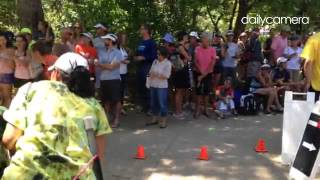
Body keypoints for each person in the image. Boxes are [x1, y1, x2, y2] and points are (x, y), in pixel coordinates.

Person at [1, 52, 111, 179]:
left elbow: (8, 139)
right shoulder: (94, 105)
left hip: (27, 174)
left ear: (56, 73)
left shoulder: (30, 90)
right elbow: (97, 155)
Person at [96, 34, 122, 128]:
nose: (104, 41)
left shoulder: (118, 52)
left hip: (114, 79)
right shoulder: (101, 52)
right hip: (103, 79)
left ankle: (117, 119)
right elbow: (100, 64)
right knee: (105, 100)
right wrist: (105, 65)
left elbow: (112, 67)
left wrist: (101, 65)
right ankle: (107, 118)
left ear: (110, 41)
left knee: (116, 100)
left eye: (106, 40)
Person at [134, 24, 157, 114]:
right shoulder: (141, 42)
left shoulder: (152, 43)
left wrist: (144, 58)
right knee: (141, 87)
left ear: (147, 30)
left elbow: (154, 56)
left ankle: (151, 108)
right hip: (140, 67)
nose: (140, 30)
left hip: (148, 67)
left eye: (142, 29)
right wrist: (135, 57)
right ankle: (144, 107)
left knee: (148, 87)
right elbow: (137, 53)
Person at [147, 46, 172, 128]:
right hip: (153, 85)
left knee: (162, 103)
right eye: (157, 54)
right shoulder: (155, 61)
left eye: (159, 54)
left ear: (164, 55)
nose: (157, 56)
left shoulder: (168, 63)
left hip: (162, 86)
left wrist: (156, 75)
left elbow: (166, 76)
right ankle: (154, 119)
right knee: (153, 102)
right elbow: (150, 71)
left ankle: (163, 120)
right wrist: (151, 75)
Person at [194, 32, 216, 118]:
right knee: (198, 92)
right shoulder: (197, 49)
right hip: (198, 72)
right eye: (204, 40)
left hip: (208, 73)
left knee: (206, 92)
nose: (206, 42)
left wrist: (203, 75)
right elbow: (195, 61)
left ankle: (206, 109)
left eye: (207, 40)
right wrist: (201, 71)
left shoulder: (212, 50)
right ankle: (197, 109)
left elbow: (212, 64)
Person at [172, 31, 191, 120]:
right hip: (180, 71)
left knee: (182, 91)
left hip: (183, 70)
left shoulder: (181, 46)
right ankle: (177, 112)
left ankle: (179, 110)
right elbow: (188, 58)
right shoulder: (180, 46)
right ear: (183, 37)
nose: (187, 38)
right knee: (179, 92)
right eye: (186, 36)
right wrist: (187, 58)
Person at [302, 32, 320, 101]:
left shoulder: (314, 39)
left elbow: (308, 62)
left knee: (314, 109)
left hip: (316, 84)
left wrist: (307, 82)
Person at [0, 32, 14, 108]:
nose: (1, 41)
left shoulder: (11, 50)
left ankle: (6, 117)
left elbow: (13, 65)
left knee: (7, 97)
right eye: (0, 40)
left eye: (3, 39)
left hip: (6, 76)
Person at [117, 32, 130, 114]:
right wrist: (124, 61)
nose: (124, 40)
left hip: (124, 72)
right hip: (118, 73)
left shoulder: (123, 49)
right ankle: (117, 108)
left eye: (125, 38)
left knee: (122, 91)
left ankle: (120, 107)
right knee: (118, 91)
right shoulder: (116, 48)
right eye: (123, 38)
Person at [93, 23, 108, 90]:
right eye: (96, 28)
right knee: (98, 83)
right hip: (98, 65)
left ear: (103, 29)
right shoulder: (94, 40)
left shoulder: (109, 39)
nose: (97, 30)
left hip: (108, 64)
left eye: (98, 28)